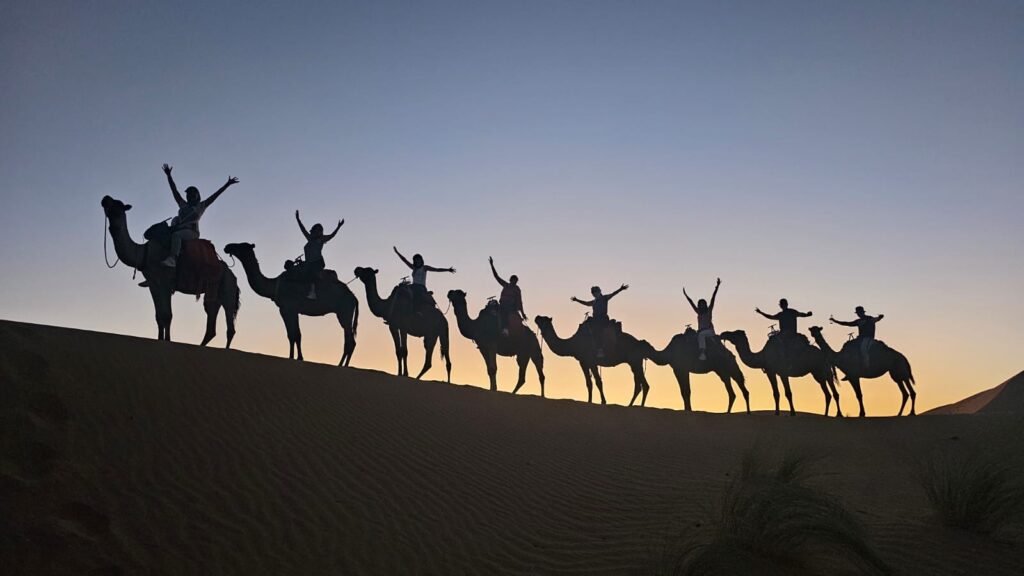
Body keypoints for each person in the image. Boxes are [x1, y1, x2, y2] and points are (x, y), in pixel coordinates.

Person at [162, 163, 239, 267]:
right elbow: (174, 191)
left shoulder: (201, 206)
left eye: (193, 194)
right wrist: (169, 176)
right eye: (189, 194)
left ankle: (173, 259)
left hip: (191, 232)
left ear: (197, 195)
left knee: (175, 236)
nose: (190, 196)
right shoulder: (183, 204)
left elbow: (215, 195)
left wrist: (227, 184)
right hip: (177, 228)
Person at [295, 210, 343, 299]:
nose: (315, 232)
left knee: (310, 274)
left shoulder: (321, 240)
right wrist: (298, 219)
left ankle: (313, 293)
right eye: (315, 230)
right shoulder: (309, 238)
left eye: (317, 231)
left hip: (317, 263)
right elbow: (303, 229)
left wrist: (338, 227)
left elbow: (332, 235)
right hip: (309, 262)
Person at [571, 284, 629, 357]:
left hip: (602, 320)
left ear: (599, 292)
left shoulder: (605, 298)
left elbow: (613, 294)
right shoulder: (594, 301)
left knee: (598, 331)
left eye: (595, 292)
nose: (594, 294)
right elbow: (586, 303)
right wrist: (577, 300)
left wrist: (620, 289)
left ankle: (600, 349)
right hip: (595, 319)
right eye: (593, 293)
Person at [684, 278, 721, 361]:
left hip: (709, 331)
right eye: (700, 304)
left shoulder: (709, 311)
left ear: (705, 304)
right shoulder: (698, 312)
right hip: (700, 331)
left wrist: (717, 287)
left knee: (701, 335)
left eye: (703, 304)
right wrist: (686, 295)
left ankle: (703, 353)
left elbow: (713, 298)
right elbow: (691, 303)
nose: (701, 306)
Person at [489, 257, 525, 335]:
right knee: (491, 305)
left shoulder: (516, 289)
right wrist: (492, 265)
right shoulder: (506, 285)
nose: (514, 282)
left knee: (503, 310)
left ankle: (505, 328)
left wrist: (523, 313)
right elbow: (497, 277)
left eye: (515, 281)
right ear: (510, 280)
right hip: (502, 303)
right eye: (513, 280)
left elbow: (519, 301)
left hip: (510, 306)